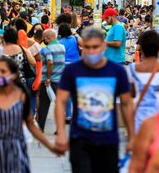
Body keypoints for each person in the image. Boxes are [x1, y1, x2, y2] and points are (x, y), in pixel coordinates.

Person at [55, 27, 134, 173]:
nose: (91, 51)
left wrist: (132, 136)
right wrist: (61, 133)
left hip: (108, 140)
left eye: (95, 47)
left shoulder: (117, 71)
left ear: (103, 45)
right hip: (80, 139)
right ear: (82, 46)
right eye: (87, 47)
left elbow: (127, 104)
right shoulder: (72, 71)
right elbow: (60, 101)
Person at [0, 57, 59, 173]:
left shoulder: (21, 96)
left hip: (17, 150)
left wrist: (50, 146)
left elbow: (31, 125)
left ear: (14, 75)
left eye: (3, 71)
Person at [127, 30, 159, 132]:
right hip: (156, 119)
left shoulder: (132, 69)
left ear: (141, 49)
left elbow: (131, 94)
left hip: (139, 119)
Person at [38, 29, 65, 132]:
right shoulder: (62, 47)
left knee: (43, 105)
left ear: (48, 37)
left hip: (48, 81)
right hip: (60, 80)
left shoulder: (47, 49)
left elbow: (50, 62)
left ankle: (41, 128)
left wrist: (48, 78)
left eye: (44, 37)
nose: (43, 39)